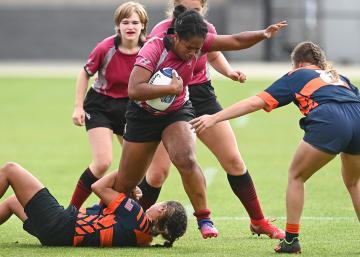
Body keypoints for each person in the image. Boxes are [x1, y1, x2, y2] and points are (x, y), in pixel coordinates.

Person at [112, 5, 287, 239]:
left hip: (181, 106)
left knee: (188, 157)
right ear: (176, 34)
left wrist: (262, 34)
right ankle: (123, 224)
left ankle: (208, 217)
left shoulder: (201, 37)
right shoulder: (157, 43)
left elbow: (233, 41)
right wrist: (170, 88)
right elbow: (134, 89)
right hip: (144, 113)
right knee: (132, 180)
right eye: (189, 48)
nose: (195, 54)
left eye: (198, 49)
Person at [190, 41, 360, 253]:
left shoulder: (297, 75)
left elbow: (255, 102)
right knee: (354, 182)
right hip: (357, 118)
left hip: (331, 119)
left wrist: (214, 118)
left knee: (296, 176)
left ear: (298, 64)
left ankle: (291, 240)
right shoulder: (339, 78)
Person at [70, 2, 164, 209]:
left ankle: (119, 212)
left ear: (143, 26)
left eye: (135, 22)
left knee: (134, 170)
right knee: (103, 161)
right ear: (118, 26)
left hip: (132, 109)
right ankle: (71, 211)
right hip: (101, 106)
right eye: (125, 22)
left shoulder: (151, 49)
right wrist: (78, 107)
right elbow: (84, 73)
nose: (130, 26)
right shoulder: (106, 48)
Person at [0, 162, 187, 247]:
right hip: (58, 236)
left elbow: (97, 187)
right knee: (14, 202)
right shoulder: (145, 238)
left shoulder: (136, 214)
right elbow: (111, 219)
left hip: (60, 224)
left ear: (162, 209)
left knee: (11, 170)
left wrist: (127, 172)